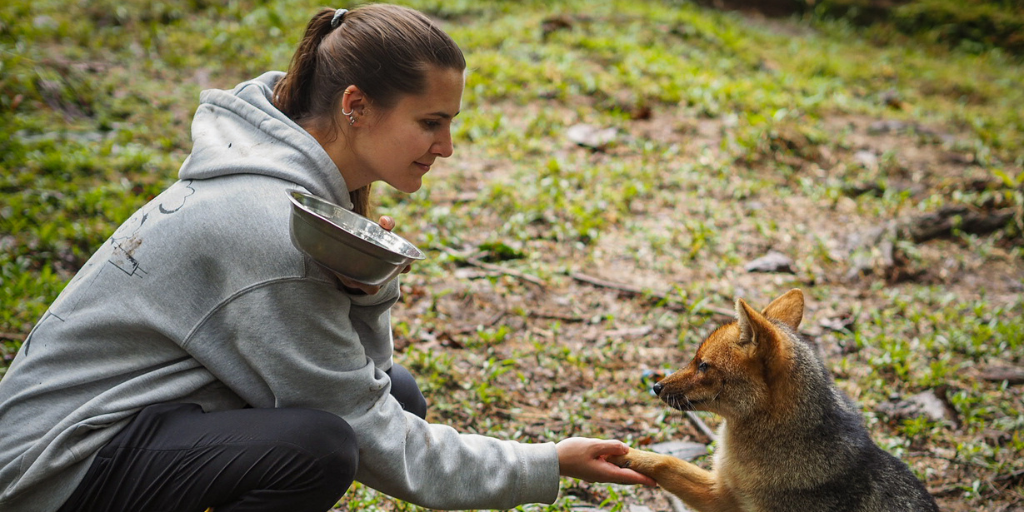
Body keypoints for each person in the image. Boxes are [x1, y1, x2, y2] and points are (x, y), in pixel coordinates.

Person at [0, 5, 655, 512]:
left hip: (130, 421)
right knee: (319, 449)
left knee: (398, 395)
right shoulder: (266, 227)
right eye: (431, 122)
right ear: (356, 107)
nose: (447, 146)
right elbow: (360, 427)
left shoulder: (289, 186)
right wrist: (546, 463)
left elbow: (367, 378)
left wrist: (369, 292)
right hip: (51, 471)